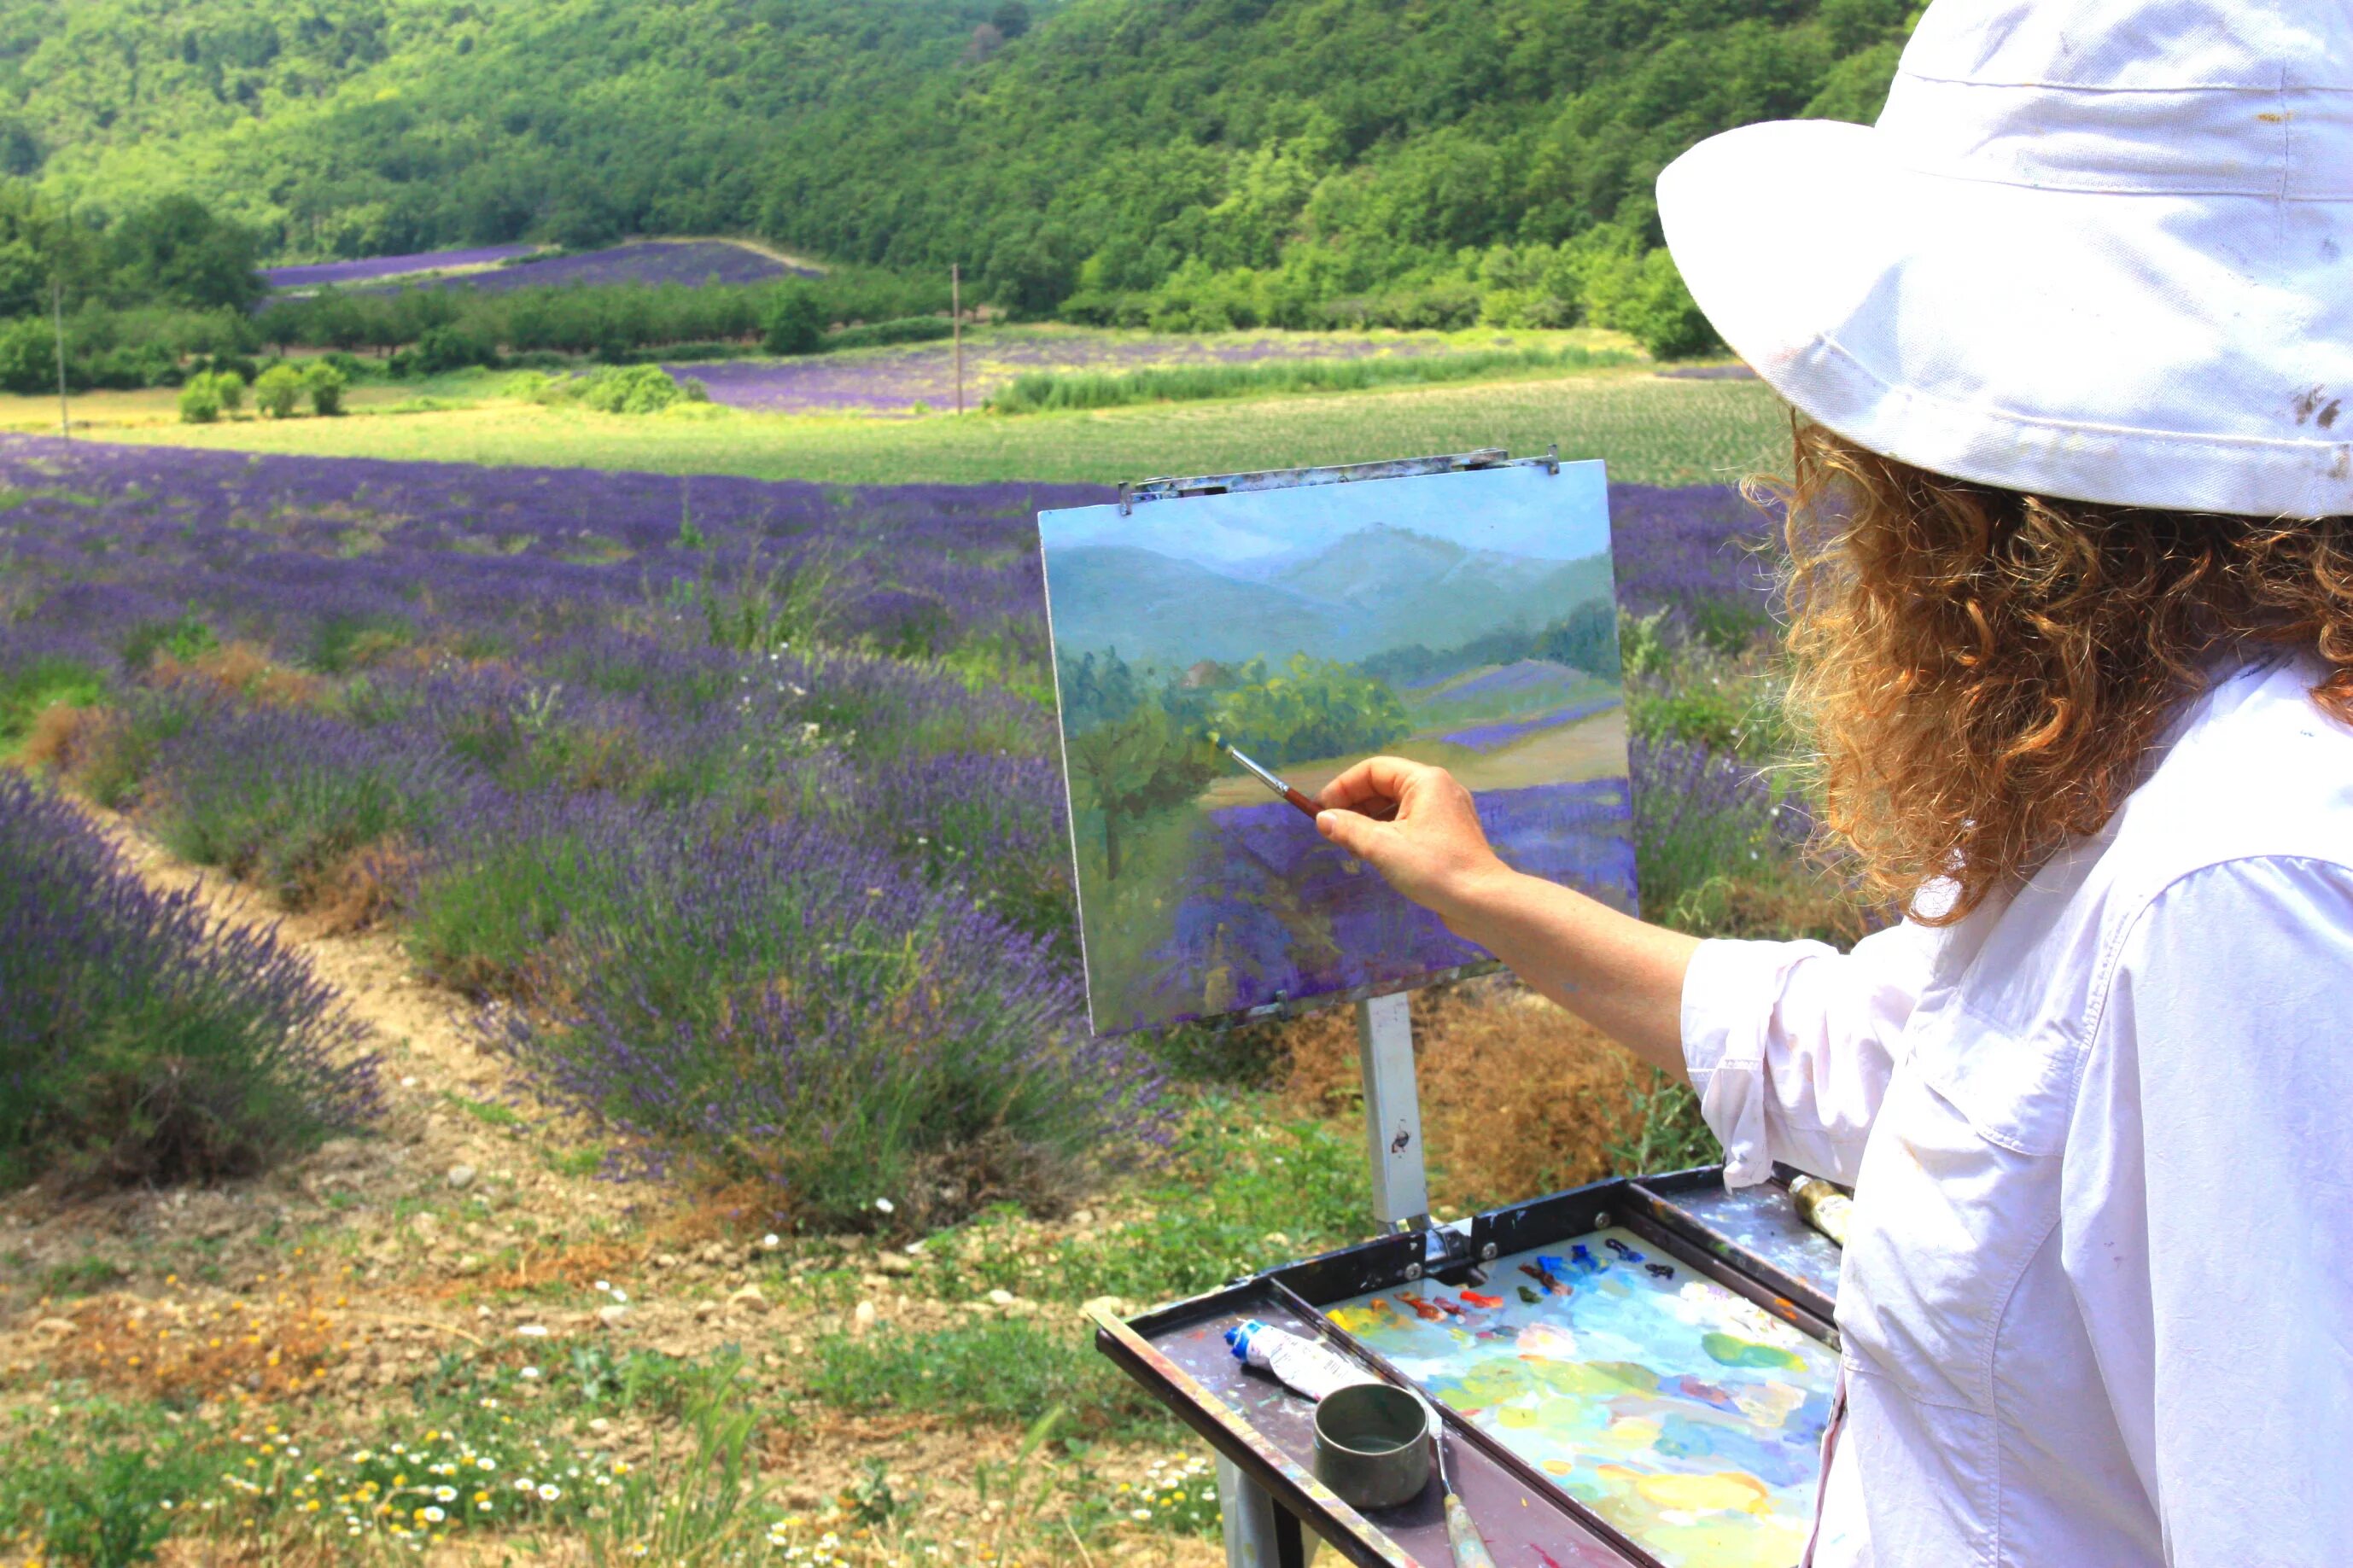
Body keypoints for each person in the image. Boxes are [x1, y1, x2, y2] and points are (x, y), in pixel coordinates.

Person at [1311, 3, 2353, 1565]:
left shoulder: (2242, 884)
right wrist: (1483, 890)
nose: (1850, 501)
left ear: (2003, 495)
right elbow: (1873, 1058)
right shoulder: (2162, 732)